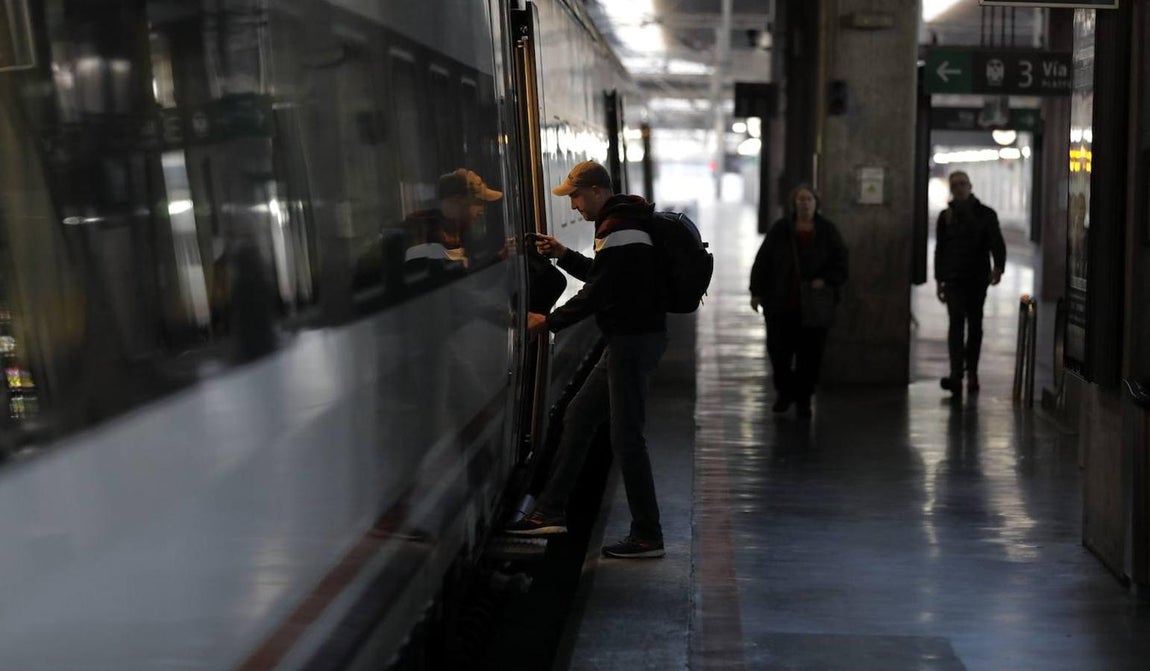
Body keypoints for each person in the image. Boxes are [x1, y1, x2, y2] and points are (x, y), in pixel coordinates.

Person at [504, 160, 668, 559]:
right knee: (578, 416)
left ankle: (647, 534)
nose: (574, 206)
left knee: (627, 438)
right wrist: (563, 255)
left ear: (596, 190)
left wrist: (550, 321)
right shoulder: (619, 224)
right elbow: (604, 277)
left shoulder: (620, 228)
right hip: (626, 339)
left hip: (632, 341)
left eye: (576, 196)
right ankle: (551, 509)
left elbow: (598, 292)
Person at [748, 184, 848, 419]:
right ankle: (784, 392)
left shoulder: (827, 231)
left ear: (816, 203)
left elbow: (841, 264)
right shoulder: (781, 230)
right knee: (779, 352)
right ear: (794, 204)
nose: (805, 204)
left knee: (810, 356)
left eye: (809, 200)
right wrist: (756, 291)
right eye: (800, 200)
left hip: (814, 307)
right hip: (781, 303)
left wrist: (826, 280)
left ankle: (804, 399)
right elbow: (763, 261)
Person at [935, 170, 1006, 395]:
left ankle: (972, 371)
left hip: (976, 278)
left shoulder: (986, 214)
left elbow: (997, 242)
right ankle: (956, 374)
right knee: (956, 325)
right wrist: (939, 279)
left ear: (970, 186)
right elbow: (941, 250)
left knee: (975, 325)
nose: (959, 188)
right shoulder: (945, 216)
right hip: (954, 278)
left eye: (962, 183)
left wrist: (998, 267)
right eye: (954, 185)